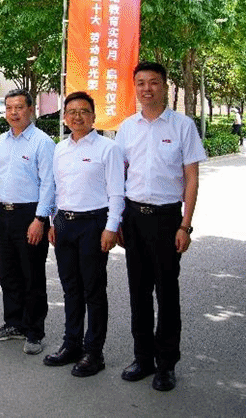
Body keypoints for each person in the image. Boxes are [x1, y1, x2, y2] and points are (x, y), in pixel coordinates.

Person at [115, 62, 206, 391]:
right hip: (133, 217)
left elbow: (192, 179)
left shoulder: (183, 126)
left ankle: (166, 364)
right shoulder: (127, 128)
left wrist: (185, 225)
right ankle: (143, 358)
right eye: (141, 83)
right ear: (135, 87)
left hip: (167, 219)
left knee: (167, 293)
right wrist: (117, 220)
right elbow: (119, 177)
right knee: (138, 291)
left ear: (165, 86)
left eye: (153, 82)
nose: (147, 89)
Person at [44, 91, 124, 377]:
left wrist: (111, 227)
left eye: (83, 111)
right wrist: (53, 221)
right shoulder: (59, 149)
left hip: (94, 223)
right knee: (70, 288)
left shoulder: (108, 148)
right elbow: (57, 188)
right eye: (72, 112)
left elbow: (117, 192)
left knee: (93, 290)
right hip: (64, 223)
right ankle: (72, 344)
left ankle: (94, 352)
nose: (77, 116)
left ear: (93, 116)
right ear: (64, 117)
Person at [0, 89, 55, 355]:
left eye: (19, 107)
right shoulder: (1, 142)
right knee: (8, 273)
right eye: (9, 108)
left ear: (30, 110)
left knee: (32, 275)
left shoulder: (42, 142)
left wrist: (40, 219)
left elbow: (49, 183)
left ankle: (34, 331)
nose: (14, 113)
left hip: (30, 215)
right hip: (4, 214)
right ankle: (14, 323)